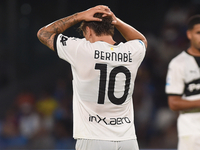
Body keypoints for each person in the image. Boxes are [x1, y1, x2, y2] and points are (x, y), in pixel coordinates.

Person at [37, 5, 147, 150]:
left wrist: (80, 15)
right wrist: (116, 21)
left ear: (88, 31)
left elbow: (44, 33)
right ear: (111, 28)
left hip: (94, 139)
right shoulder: (131, 51)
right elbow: (141, 40)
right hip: (127, 140)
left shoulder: (81, 49)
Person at [165, 15, 200, 150]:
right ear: (189, 34)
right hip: (192, 132)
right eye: (198, 32)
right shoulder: (178, 63)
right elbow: (173, 103)